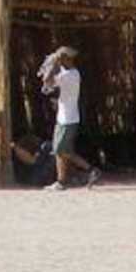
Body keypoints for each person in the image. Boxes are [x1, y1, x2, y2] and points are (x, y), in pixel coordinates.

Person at [41, 46, 100, 191]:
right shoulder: (72, 73)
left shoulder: (69, 75)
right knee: (64, 151)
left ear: (66, 59)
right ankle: (87, 171)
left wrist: (53, 65)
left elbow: (47, 81)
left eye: (61, 59)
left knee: (59, 150)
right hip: (65, 117)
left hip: (67, 119)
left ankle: (64, 180)